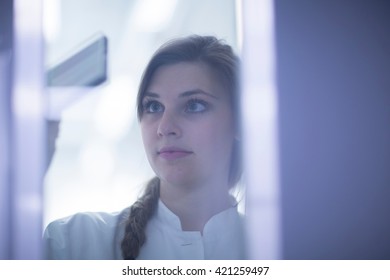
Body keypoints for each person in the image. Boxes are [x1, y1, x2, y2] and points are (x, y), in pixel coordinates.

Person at [43, 35, 246, 260]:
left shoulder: (283, 249)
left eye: (194, 105)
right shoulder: (75, 243)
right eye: (154, 106)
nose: (165, 127)